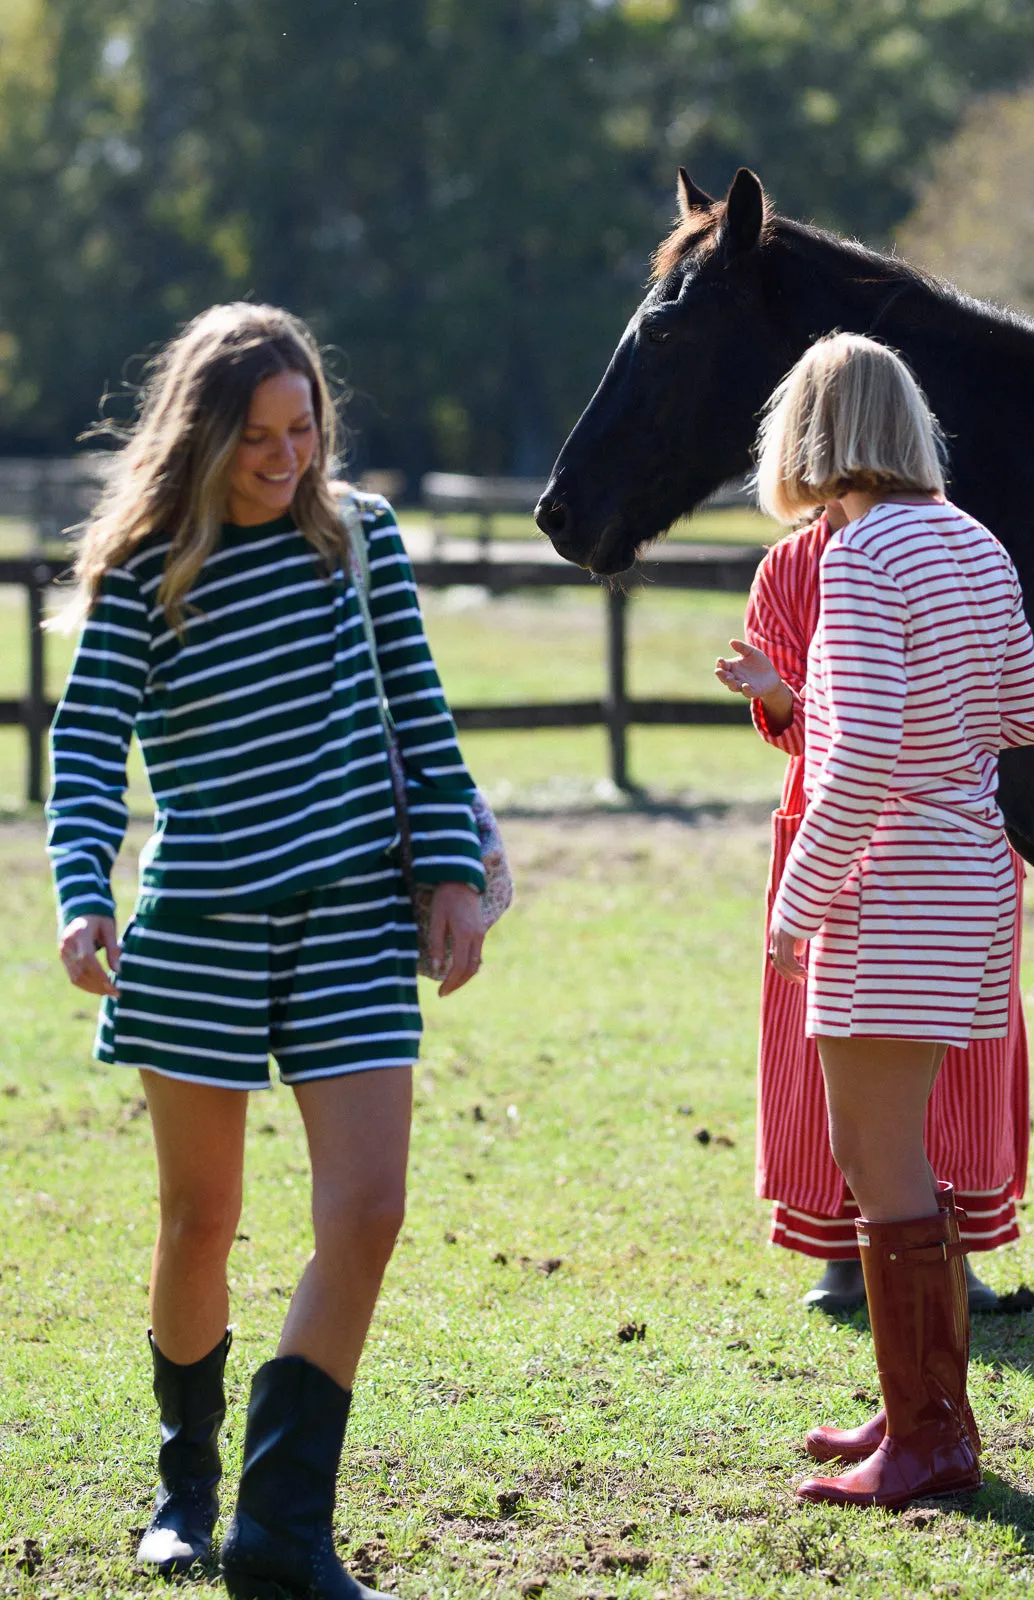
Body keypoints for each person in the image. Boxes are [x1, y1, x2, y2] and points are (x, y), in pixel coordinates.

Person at [47, 303, 488, 1598]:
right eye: (257, 437)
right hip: (199, 935)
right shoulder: (143, 570)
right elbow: (84, 748)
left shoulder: (361, 540)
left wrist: (452, 870)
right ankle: (186, 1487)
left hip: (353, 919)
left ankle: (278, 1531)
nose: (285, 458)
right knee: (201, 1220)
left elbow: (420, 705)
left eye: (302, 431)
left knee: (369, 1208)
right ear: (201, 435)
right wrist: (84, 894)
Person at [742, 332, 1034, 1509]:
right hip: (974, 877)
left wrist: (797, 898)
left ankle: (929, 1438)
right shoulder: (967, 538)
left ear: (808, 433)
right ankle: (914, 1399)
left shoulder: (862, 554)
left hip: (890, 882)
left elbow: (858, 753)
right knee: (901, 1156)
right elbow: (1025, 710)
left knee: (874, 1161)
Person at [717, 504, 1031, 1317]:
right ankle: (842, 1250)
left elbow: (896, 730)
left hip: (911, 834)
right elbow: (806, 739)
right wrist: (784, 699)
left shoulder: (927, 549)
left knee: (945, 1059)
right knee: (832, 1062)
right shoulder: (791, 565)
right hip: (841, 830)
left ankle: (947, 1256)